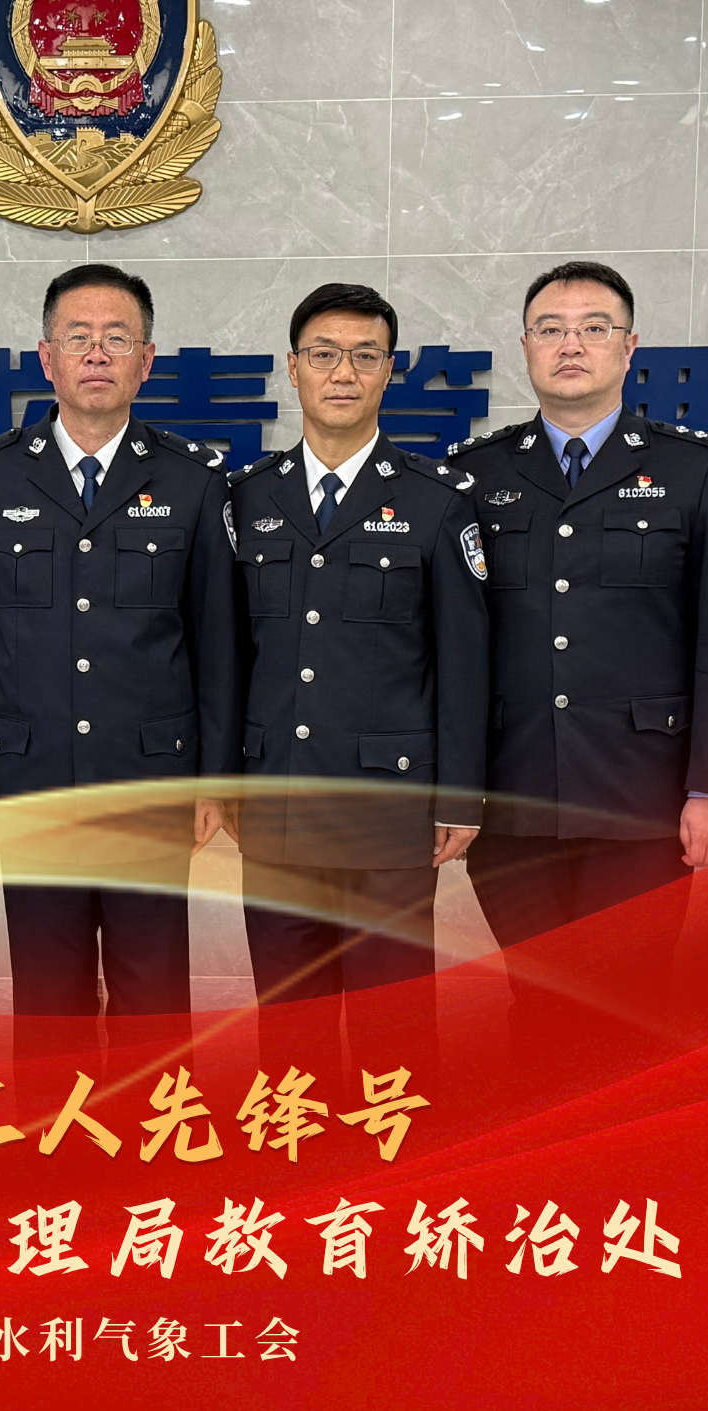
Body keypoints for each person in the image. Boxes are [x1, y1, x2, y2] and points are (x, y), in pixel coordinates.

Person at [0, 262, 239, 1056]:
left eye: (117, 338)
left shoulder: (191, 479)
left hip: (151, 777)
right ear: (46, 358)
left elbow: (216, 639)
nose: (97, 354)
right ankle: (58, 1132)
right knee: (49, 997)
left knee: (155, 992)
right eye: (78, 338)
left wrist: (212, 777)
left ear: (147, 361)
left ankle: (153, 1126)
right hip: (29, 776)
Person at [452, 261, 708, 998]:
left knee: (631, 1000)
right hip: (513, 797)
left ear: (629, 346)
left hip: (642, 798)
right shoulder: (475, 474)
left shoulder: (693, 469)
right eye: (550, 329)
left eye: (594, 328)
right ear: (525, 347)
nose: (571, 345)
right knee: (533, 997)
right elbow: (453, 646)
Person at [228, 282, 488, 1057]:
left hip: (388, 811)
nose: (342, 372)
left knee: (391, 1033)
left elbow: (463, 660)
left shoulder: (436, 501)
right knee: (289, 1034)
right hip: (276, 803)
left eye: (364, 355)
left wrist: (460, 793)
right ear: (292, 368)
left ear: (389, 371)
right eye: (323, 354)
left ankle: (391, 1142)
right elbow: (226, 654)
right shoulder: (246, 497)